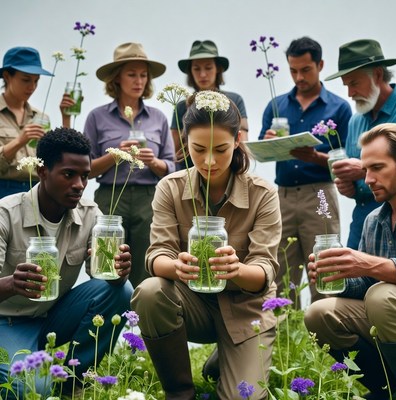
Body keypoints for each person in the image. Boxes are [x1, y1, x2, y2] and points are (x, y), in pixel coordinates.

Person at [131, 91, 281, 400]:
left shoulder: (263, 193)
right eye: (198, 149)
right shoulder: (169, 188)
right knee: (149, 292)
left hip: (245, 309)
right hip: (193, 303)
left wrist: (236, 269)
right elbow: (156, 255)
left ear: (238, 140)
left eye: (221, 149)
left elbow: (265, 271)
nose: (209, 160)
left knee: (245, 396)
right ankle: (180, 391)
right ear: (185, 142)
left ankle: (228, 358)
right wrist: (177, 266)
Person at [0, 128, 133, 398]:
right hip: (7, 321)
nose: (80, 185)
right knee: (33, 389)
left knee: (123, 290)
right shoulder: (6, 213)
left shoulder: (89, 213)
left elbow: (103, 276)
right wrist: (13, 284)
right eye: (69, 174)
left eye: (85, 176)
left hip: (53, 316)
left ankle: (73, 375)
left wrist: (117, 272)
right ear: (42, 172)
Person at [304, 123, 396, 400]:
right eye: (366, 169)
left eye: (378, 168)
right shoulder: (374, 220)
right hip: (390, 315)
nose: (367, 179)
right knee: (319, 313)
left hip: (388, 306)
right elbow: (365, 283)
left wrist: (368, 264)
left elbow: (375, 279)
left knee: (381, 296)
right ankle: (386, 390)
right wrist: (340, 277)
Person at [258, 37, 352, 306]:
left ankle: (327, 338)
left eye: (305, 70)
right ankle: (282, 338)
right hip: (282, 196)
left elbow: (348, 162)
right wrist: (268, 143)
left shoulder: (339, 108)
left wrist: (316, 157)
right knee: (279, 271)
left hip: (320, 192)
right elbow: (259, 152)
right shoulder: (276, 106)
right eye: (293, 70)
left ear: (320, 65)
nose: (299, 77)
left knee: (326, 270)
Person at [84, 42, 175, 288]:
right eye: (132, 74)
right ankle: (103, 320)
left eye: (143, 75)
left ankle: (140, 322)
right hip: (111, 196)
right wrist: (115, 155)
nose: (139, 81)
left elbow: (172, 166)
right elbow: (86, 169)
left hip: (150, 198)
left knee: (146, 262)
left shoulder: (158, 117)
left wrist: (153, 162)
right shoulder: (96, 116)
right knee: (105, 263)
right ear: (117, 78)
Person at [325, 39, 396, 250]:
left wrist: (360, 169)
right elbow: (358, 186)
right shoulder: (355, 121)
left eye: (354, 83)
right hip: (363, 221)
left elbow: (361, 170)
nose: (349, 93)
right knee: (354, 281)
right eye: (346, 85)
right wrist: (349, 187)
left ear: (377, 74)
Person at [0, 46, 75, 198]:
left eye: (36, 81)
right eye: (26, 80)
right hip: (4, 190)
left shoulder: (41, 117)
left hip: (37, 192)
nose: (32, 87)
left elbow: (59, 158)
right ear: (7, 76)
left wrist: (66, 118)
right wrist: (20, 141)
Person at [171, 40, 249, 169]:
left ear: (218, 68)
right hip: (190, 177)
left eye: (208, 68)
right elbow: (174, 149)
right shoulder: (181, 106)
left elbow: (243, 141)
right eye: (196, 68)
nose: (202, 74)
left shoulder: (234, 100)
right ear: (190, 71)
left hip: (228, 172)